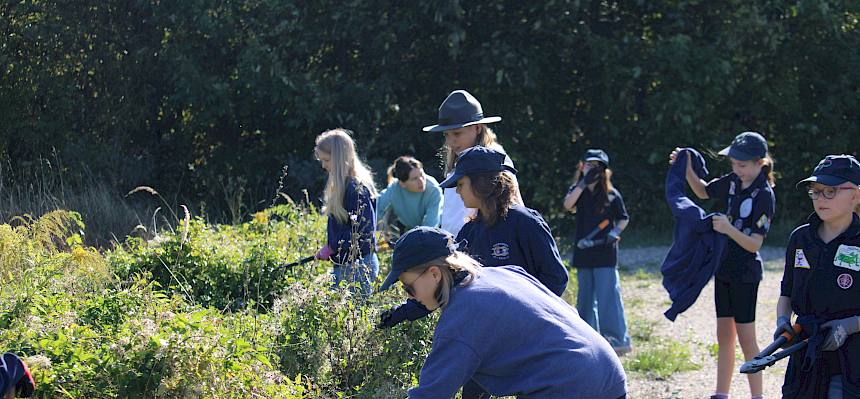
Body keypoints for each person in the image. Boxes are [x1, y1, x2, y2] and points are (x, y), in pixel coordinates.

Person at [380, 226, 628, 399]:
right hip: (608, 374)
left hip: (570, 387)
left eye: (408, 286)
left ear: (434, 273)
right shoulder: (503, 273)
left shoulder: (461, 317)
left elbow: (431, 395)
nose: (409, 296)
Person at [669, 131, 776, 399]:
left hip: (746, 275)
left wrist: (728, 228)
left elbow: (754, 244)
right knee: (724, 337)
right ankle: (721, 393)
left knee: (747, 339)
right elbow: (703, 191)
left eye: (742, 165)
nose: (736, 169)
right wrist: (687, 165)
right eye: (733, 164)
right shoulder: (731, 182)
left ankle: (757, 395)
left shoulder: (764, 195)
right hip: (724, 270)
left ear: (760, 163)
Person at [775, 154, 860, 399]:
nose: (821, 198)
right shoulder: (800, 239)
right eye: (816, 191)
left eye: (830, 191)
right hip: (806, 355)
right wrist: (783, 322)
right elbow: (786, 293)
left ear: (855, 195)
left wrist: (849, 326)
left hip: (850, 362)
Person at [422, 89, 522, 237]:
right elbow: (451, 217)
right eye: (446, 135)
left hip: (488, 244)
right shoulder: (455, 160)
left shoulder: (495, 159)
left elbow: (513, 206)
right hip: (456, 247)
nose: (450, 141)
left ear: (477, 128)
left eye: (456, 133)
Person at [562, 149, 632, 355]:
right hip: (583, 254)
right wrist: (583, 183)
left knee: (608, 296)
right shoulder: (578, 192)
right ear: (582, 166)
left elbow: (623, 218)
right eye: (588, 165)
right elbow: (567, 205)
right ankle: (588, 337)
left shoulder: (611, 194)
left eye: (597, 166)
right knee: (585, 298)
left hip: (605, 253)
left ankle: (617, 339)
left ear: (604, 170)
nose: (592, 169)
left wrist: (616, 231)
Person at [313, 128, 379, 295]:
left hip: (359, 266)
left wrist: (334, 246)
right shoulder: (343, 188)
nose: (323, 166)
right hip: (345, 265)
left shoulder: (356, 189)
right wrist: (331, 246)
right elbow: (346, 227)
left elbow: (363, 232)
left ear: (339, 158)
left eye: (326, 160)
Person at [376, 156, 443, 244]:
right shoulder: (393, 189)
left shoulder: (434, 189)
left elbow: (431, 225)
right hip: (407, 229)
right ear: (402, 184)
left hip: (437, 229)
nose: (421, 181)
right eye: (414, 179)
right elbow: (376, 210)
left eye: (422, 175)